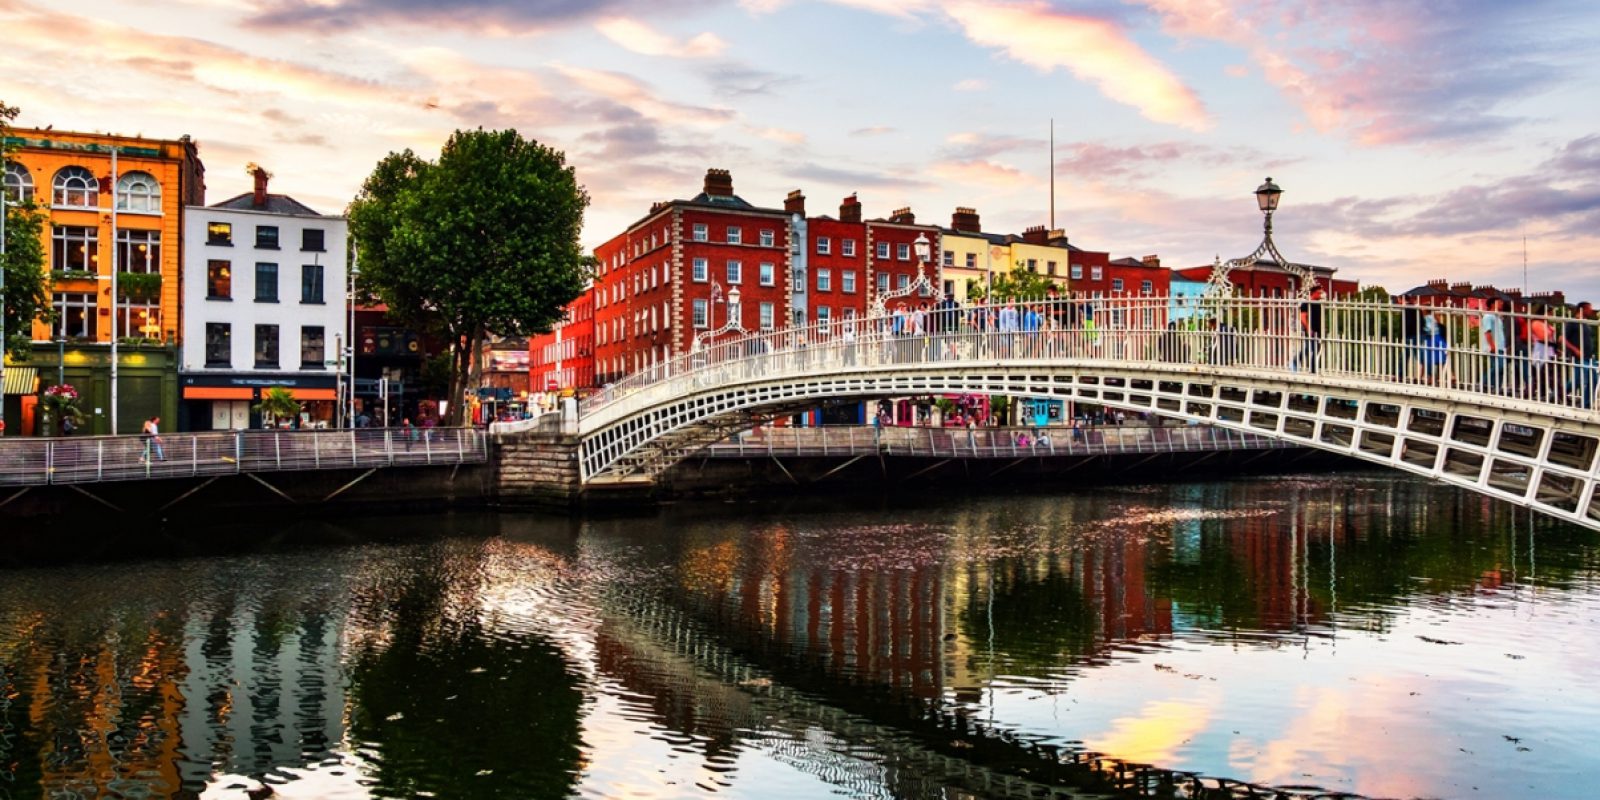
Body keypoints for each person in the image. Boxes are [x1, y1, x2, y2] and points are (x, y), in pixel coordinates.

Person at [1293, 285, 1325, 373]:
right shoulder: (1306, 304)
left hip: (1318, 330)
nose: (1320, 295)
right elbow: (1303, 317)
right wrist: (1308, 329)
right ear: (1313, 293)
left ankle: (1312, 369)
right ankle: (1296, 362)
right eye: (1319, 293)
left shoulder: (1318, 304)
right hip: (1310, 330)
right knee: (1310, 349)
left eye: (1321, 293)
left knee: (1315, 349)